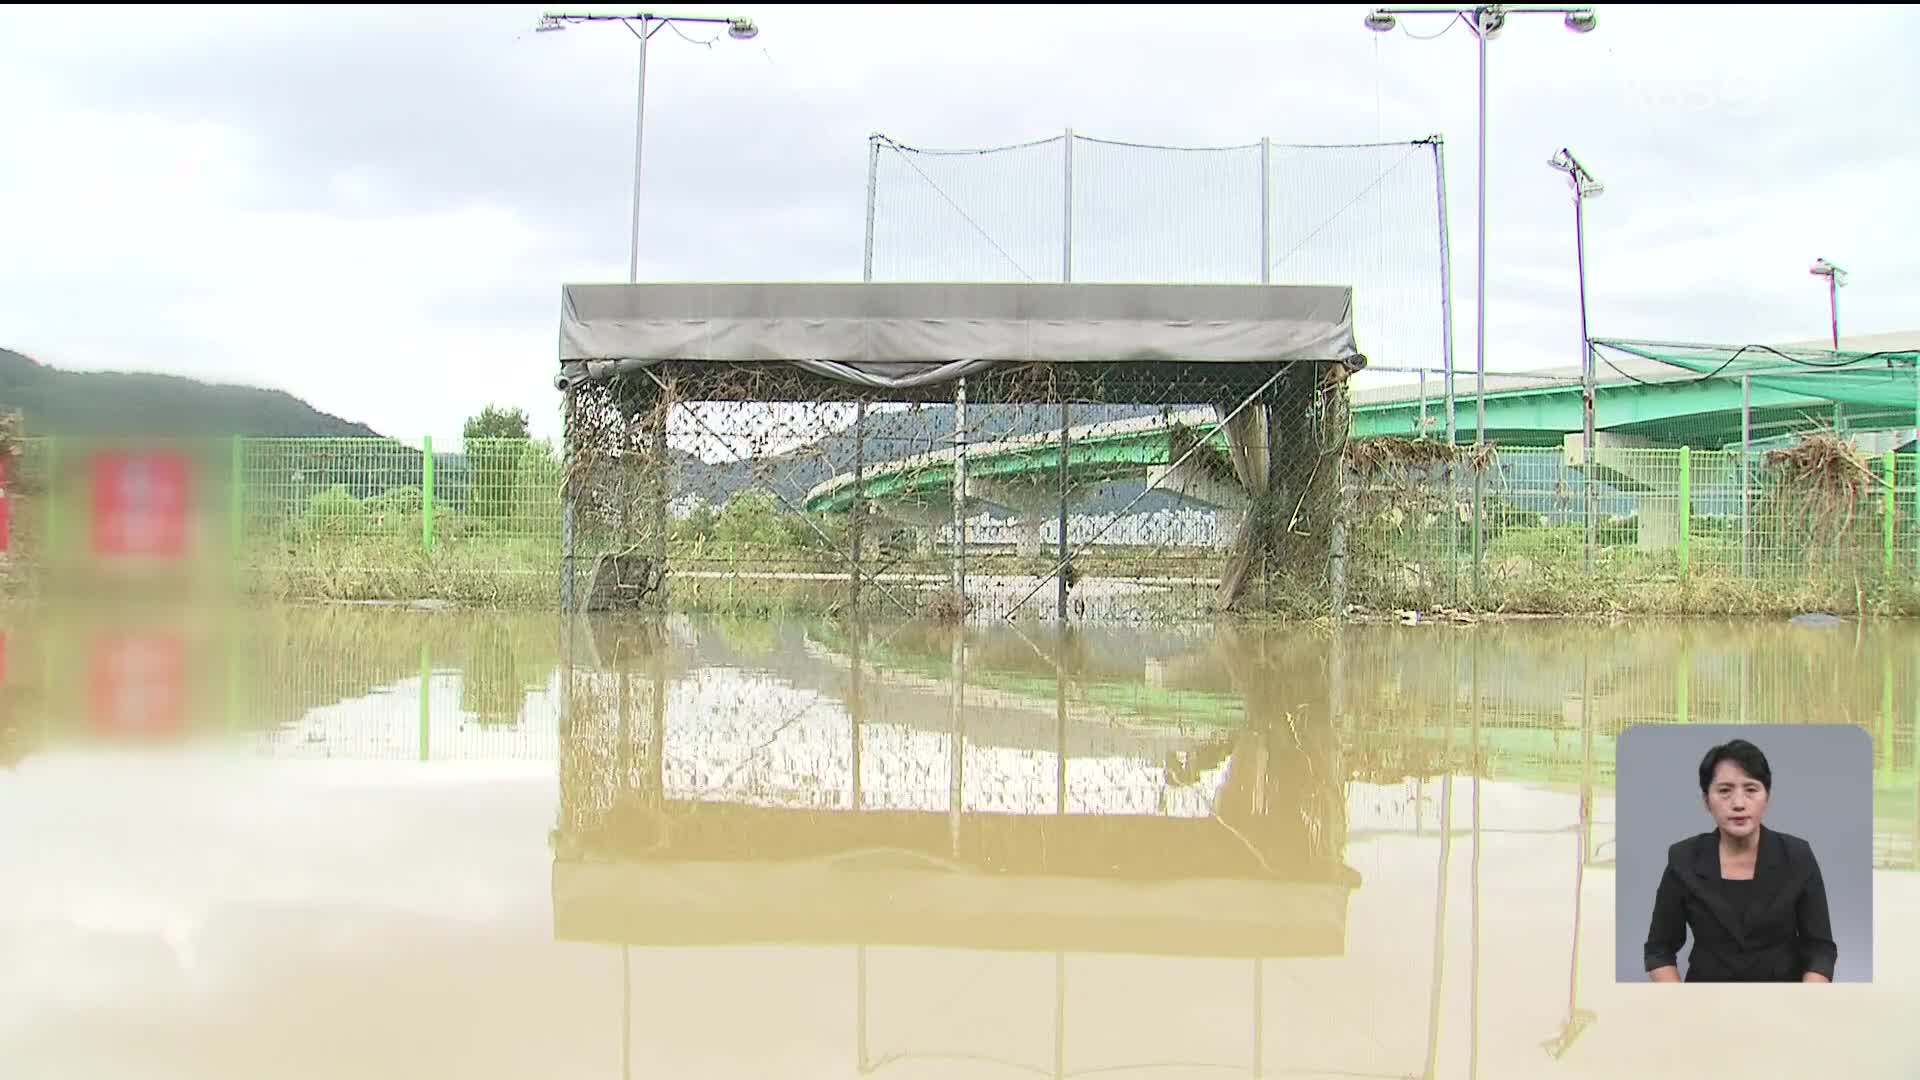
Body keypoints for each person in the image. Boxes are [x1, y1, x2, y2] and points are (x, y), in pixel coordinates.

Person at [1643, 738, 1837, 983]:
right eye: (1724, 791)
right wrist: (1684, 1007)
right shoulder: (1684, 859)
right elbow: (1659, 950)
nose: (1738, 803)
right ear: (1706, 801)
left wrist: (1801, 1006)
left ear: (1767, 797)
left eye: (1751, 789)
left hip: (1782, 1002)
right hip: (1707, 1001)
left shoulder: (1798, 856)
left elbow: (1821, 950)